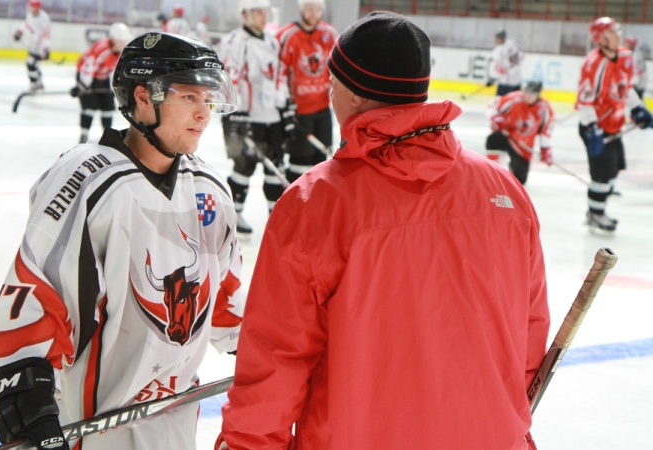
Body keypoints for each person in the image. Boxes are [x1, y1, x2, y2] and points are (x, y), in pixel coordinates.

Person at [217, 11, 549, 450]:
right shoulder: (503, 189)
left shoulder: (315, 203)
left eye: (334, 82)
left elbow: (277, 359)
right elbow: (528, 340)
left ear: (353, 95)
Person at [0, 32, 245, 450]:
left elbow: (226, 297)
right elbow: (40, 289)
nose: (204, 114)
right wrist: (24, 397)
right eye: (189, 98)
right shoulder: (89, 180)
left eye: (207, 99)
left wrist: (270, 352)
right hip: (96, 430)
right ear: (144, 97)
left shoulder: (210, 187)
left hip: (176, 421)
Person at [218, 0, 288, 236]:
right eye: (258, 12)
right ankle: (235, 213)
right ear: (246, 14)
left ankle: (275, 215)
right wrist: (236, 112)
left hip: (271, 115)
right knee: (243, 166)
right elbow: (231, 77)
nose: (263, 16)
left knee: (275, 166)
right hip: (247, 116)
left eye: (265, 12)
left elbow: (280, 72)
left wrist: (283, 101)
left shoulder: (271, 40)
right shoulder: (235, 41)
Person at [577, 17, 653, 232]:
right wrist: (592, 128)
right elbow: (585, 100)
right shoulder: (593, 64)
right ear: (600, 38)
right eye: (612, 31)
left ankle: (597, 205)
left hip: (614, 126)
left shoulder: (626, 57)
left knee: (613, 170)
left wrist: (637, 108)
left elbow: (625, 88)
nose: (618, 33)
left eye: (617, 29)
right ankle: (595, 214)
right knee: (601, 175)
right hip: (596, 128)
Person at [276, 0, 337, 183]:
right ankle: (295, 207)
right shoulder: (287, 35)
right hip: (299, 113)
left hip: (323, 112)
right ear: (302, 9)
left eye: (317, 9)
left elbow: (337, 70)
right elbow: (279, 73)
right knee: (299, 166)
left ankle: (316, 209)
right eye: (309, 8)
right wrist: (284, 103)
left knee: (321, 164)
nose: (313, 13)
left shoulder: (330, 34)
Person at [71, 22, 132, 144]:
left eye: (123, 41)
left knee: (108, 107)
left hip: (103, 79)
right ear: (113, 40)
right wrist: (82, 86)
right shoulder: (101, 49)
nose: (122, 44)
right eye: (120, 41)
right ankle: (83, 135)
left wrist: (113, 86)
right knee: (89, 107)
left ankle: (107, 136)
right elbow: (87, 67)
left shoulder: (122, 51)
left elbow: (116, 70)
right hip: (88, 77)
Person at [485, 80, 554, 185]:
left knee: (520, 180)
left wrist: (545, 148)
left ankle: (513, 168)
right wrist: (496, 118)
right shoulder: (514, 99)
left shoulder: (544, 108)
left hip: (524, 147)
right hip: (508, 138)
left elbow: (546, 129)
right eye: (527, 92)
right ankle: (491, 170)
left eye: (532, 94)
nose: (528, 96)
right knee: (493, 139)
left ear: (538, 95)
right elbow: (492, 105)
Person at [13, 0, 50, 92]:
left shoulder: (43, 18)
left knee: (31, 64)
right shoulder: (30, 16)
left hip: (40, 47)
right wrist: (19, 32)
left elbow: (46, 34)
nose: (30, 9)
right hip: (33, 45)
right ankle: (38, 83)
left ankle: (35, 83)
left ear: (37, 8)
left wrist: (45, 49)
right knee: (33, 64)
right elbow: (26, 25)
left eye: (32, 7)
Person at [488, 29, 524, 96]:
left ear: (501, 37)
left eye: (497, 37)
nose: (496, 39)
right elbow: (522, 56)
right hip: (511, 81)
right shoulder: (512, 44)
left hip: (510, 82)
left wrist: (493, 76)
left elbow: (499, 66)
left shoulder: (499, 50)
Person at [624, 35, 648, 99]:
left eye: (630, 44)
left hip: (636, 85)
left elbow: (641, 72)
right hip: (628, 85)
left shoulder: (637, 56)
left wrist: (640, 87)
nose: (627, 46)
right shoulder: (624, 53)